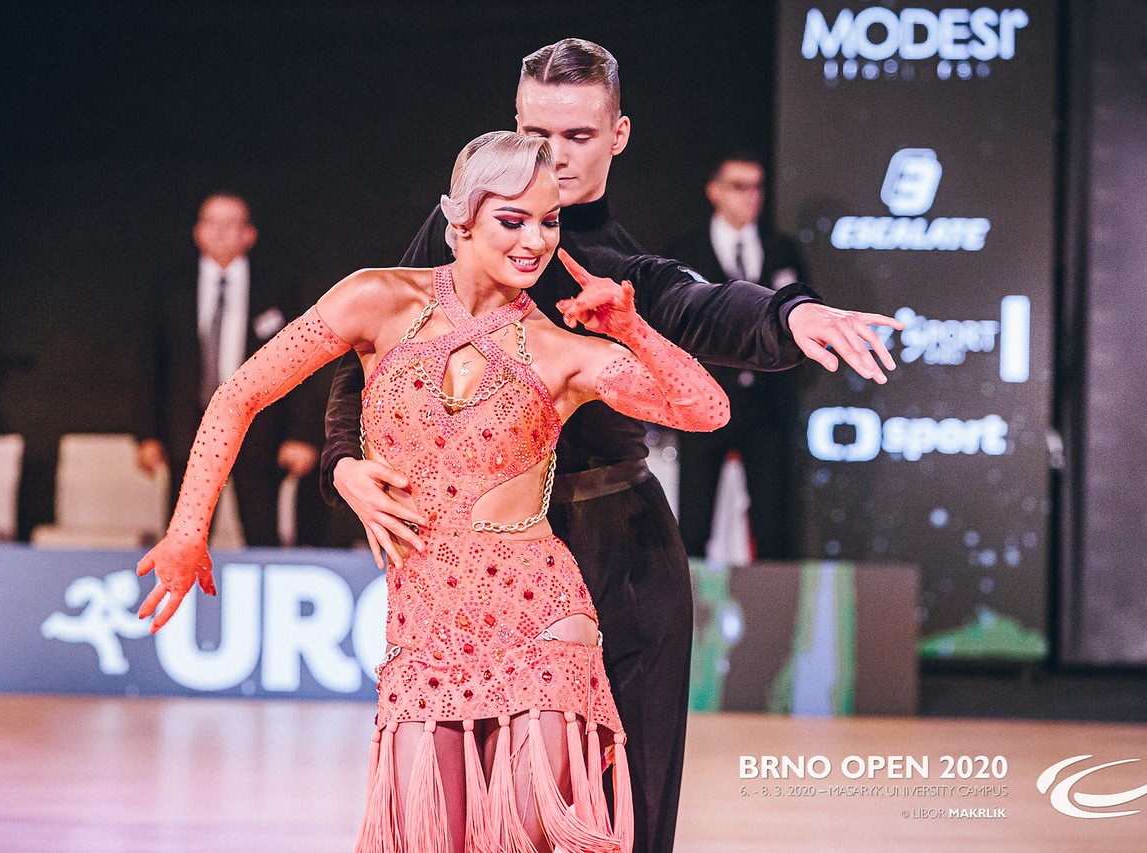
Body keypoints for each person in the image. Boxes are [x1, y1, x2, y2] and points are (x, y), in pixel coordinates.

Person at [319, 39, 902, 853]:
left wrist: (791, 313)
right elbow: (368, 355)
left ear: (618, 135)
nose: (552, 156)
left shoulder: (619, 265)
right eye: (535, 131)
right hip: (486, 564)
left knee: (629, 814)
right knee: (479, 818)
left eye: (578, 136)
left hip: (618, 550)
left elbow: (704, 306)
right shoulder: (458, 232)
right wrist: (343, 463)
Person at [136, 132, 729, 853]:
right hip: (423, 629)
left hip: (539, 617)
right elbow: (239, 395)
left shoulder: (559, 350)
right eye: (512, 219)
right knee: (428, 835)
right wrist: (187, 529)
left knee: (529, 836)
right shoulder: (376, 298)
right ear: (461, 219)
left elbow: (707, 409)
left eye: (548, 221)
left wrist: (634, 330)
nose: (535, 240)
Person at [135, 193, 322, 546]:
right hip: (189, 431)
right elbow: (151, 367)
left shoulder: (277, 289)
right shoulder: (171, 290)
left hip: (258, 429)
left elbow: (303, 363)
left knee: (262, 536)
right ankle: (181, 583)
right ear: (197, 232)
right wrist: (147, 434)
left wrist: (301, 433)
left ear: (249, 234)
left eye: (230, 223)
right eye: (211, 223)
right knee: (185, 537)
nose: (220, 231)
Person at [667, 152, 811, 561]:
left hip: (767, 407)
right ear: (714, 192)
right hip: (704, 403)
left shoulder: (781, 250)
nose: (751, 196)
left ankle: (772, 605)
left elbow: (801, 318)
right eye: (739, 186)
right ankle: (692, 601)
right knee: (693, 524)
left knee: (772, 528)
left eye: (757, 187)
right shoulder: (686, 252)